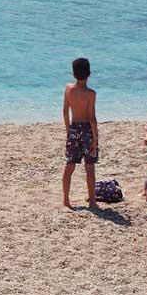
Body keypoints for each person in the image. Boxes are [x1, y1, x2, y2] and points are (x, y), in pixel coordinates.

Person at [62, 57, 99, 209]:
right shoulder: (91, 93)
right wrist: (95, 139)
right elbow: (92, 118)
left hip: (74, 127)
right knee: (89, 166)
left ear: (73, 73)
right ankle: (91, 200)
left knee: (70, 164)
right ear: (89, 73)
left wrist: (68, 130)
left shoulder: (68, 89)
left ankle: (66, 199)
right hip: (87, 130)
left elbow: (65, 112)